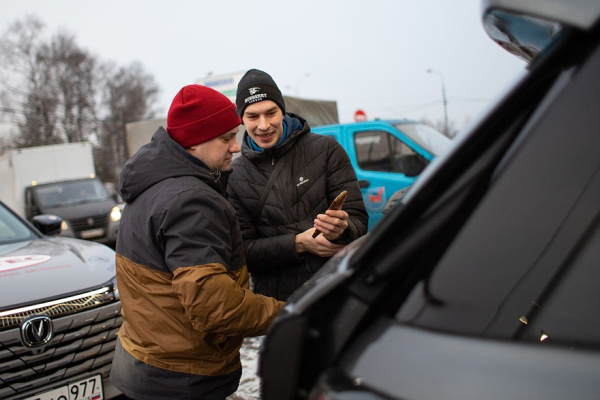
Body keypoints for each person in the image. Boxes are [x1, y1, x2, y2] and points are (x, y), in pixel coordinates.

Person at [110, 84, 284, 400]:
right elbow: (215, 307)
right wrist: (289, 314)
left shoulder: (151, 186)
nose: (235, 147)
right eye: (226, 138)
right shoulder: (190, 201)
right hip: (182, 376)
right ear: (194, 141)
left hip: (145, 361)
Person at [227, 69, 369, 301]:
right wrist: (298, 244)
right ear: (241, 119)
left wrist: (343, 230)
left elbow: (359, 219)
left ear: (282, 110)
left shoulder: (326, 150)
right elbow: (243, 252)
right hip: (280, 305)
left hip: (338, 289)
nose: (263, 126)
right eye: (252, 116)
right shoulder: (234, 175)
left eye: (271, 113)